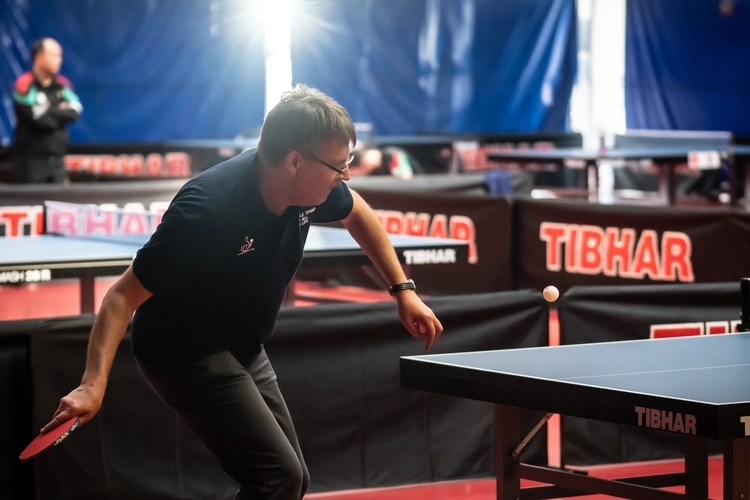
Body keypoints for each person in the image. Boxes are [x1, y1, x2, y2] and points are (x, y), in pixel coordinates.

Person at [41, 85, 442, 499]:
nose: (346, 175)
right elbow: (122, 296)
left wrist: (403, 289)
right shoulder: (208, 209)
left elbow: (357, 210)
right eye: (339, 166)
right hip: (182, 350)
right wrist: (92, 384)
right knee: (277, 478)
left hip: (242, 344)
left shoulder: (309, 189)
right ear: (294, 161)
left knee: (292, 480)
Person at [13, 38, 82, 183]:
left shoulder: (63, 85)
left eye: (60, 56)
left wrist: (48, 110)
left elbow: (75, 111)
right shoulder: (24, 84)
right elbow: (38, 120)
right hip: (31, 164)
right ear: (38, 57)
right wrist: (60, 110)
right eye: (54, 55)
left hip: (58, 163)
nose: (59, 60)